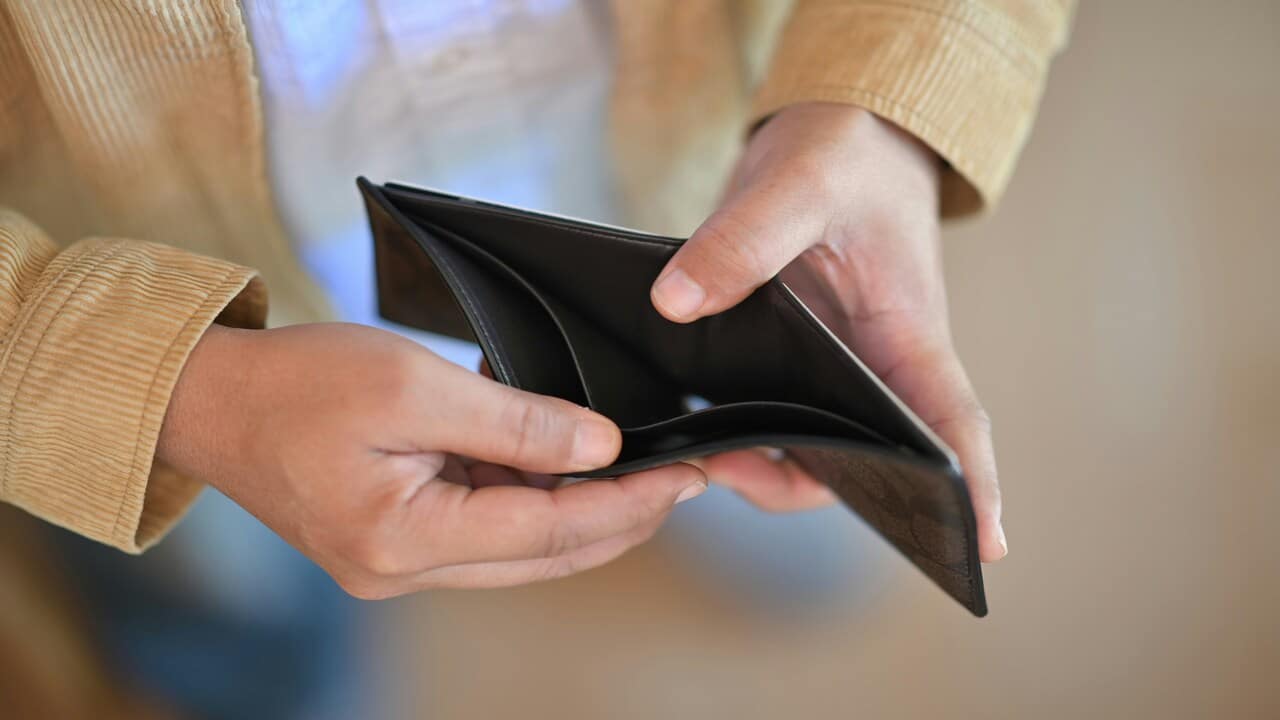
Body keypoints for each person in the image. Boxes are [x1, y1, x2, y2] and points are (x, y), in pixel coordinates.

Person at [0, 0, 1073, 715]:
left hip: (707, 198)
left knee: (769, 465)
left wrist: (881, 103)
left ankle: (777, 487)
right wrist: (174, 394)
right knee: (232, 603)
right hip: (173, 296)